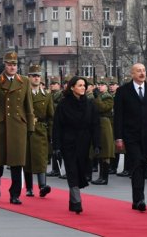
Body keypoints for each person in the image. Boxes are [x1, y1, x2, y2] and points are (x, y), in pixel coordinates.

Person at [0, 51, 35, 205]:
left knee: (17, 162)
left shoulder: (24, 81)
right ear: (4, 65)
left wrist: (30, 126)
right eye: (9, 64)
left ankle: (14, 193)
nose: (12, 67)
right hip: (1, 125)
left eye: (15, 64)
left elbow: (28, 106)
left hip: (18, 126)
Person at [114, 63, 147, 212]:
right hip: (130, 136)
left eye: (144, 70)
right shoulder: (123, 91)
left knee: (144, 166)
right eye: (138, 71)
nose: (142, 73)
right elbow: (118, 116)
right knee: (137, 163)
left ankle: (137, 199)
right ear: (132, 74)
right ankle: (139, 199)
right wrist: (118, 137)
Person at [52, 76, 100, 214]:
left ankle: (72, 201)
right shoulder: (63, 104)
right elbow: (57, 127)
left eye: (84, 85)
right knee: (72, 171)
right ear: (72, 87)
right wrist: (56, 146)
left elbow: (95, 125)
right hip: (69, 143)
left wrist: (97, 144)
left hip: (84, 143)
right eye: (80, 85)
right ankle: (77, 201)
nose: (83, 87)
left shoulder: (90, 104)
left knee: (80, 171)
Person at [24, 64, 54, 198]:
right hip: (27, 130)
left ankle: (42, 186)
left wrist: (51, 135)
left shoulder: (46, 96)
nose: (36, 78)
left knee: (41, 158)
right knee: (27, 159)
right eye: (33, 76)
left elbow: (51, 116)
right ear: (29, 77)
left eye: (38, 76)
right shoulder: (24, 94)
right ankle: (29, 188)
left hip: (41, 130)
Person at [88, 80, 115, 185]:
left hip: (104, 123)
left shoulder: (108, 97)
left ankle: (104, 178)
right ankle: (100, 176)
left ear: (106, 87)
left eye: (102, 85)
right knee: (98, 151)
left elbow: (102, 108)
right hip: (96, 123)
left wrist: (97, 97)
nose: (100, 87)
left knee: (105, 152)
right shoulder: (96, 97)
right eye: (99, 85)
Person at [47, 76, 63, 177]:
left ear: (58, 85)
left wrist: (51, 105)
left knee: (57, 146)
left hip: (57, 123)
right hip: (50, 122)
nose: (52, 86)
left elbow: (59, 107)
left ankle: (57, 168)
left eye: (54, 84)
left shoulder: (61, 95)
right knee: (52, 146)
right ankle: (54, 168)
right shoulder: (50, 95)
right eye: (51, 84)